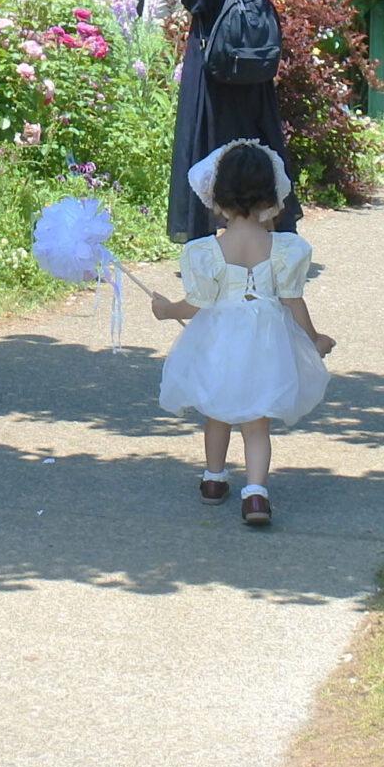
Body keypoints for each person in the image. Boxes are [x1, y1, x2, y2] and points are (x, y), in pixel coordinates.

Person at [151, 141, 335, 528]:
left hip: (220, 344)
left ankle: (214, 481)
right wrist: (314, 338)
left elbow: (196, 304)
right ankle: (255, 495)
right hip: (266, 346)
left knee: (216, 413)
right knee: (256, 422)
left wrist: (168, 311)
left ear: (216, 197)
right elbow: (292, 301)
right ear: (271, 196)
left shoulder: (205, 252)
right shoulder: (284, 248)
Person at [167, 0, 298, 241]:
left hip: (213, 60)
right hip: (252, 58)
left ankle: (203, 231)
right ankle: (267, 224)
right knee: (256, 140)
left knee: (206, 142)